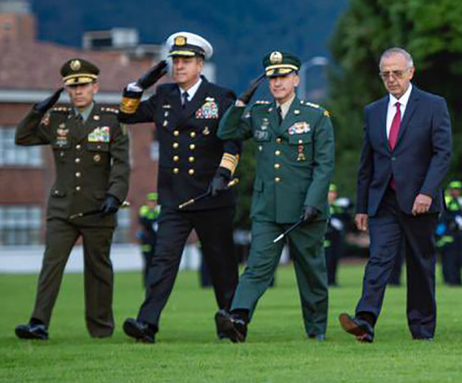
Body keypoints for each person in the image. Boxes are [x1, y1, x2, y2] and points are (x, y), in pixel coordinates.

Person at [119, 32, 241, 343]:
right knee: (163, 260)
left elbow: (233, 139)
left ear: (200, 64)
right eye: (175, 60)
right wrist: (138, 86)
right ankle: (147, 323)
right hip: (175, 197)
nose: (179, 66)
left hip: (210, 194)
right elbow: (126, 115)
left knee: (221, 264)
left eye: (186, 61)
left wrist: (223, 174)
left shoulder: (220, 97)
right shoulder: (164, 96)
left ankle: (231, 321)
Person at [216, 51, 335, 341]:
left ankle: (316, 329)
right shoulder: (259, 113)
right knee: (256, 267)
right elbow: (226, 131)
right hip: (267, 208)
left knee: (311, 272)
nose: (277, 82)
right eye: (272, 77)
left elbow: (324, 166)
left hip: (305, 209)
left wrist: (314, 202)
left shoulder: (315, 115)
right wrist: (240, 102)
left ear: (295, 79)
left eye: (282, 76)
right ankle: (238, 319)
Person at [339, 48, 452, 342]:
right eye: (385, 74)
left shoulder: (433, 105)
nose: (391, 79)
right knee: (378, 260)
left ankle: (422, 329)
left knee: (420, 264)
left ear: (411, 72)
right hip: (383, 201)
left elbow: (442, 154)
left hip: (419, 201)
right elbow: (367, 163)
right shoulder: (373, 111)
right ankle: (364, 320)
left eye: (397, 73)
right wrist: (362, 206)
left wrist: (427, 192)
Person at [13, 59, 129, 340]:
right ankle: (38, 323)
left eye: (84, 86)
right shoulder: (56, 119)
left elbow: (121, 164)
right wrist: (37, 110)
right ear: (66, 90)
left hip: (98, 207)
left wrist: (115, 195)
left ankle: (100, 329)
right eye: (72, 87)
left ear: (95, 87)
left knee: (98, 270)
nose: (78, 92)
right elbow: (23, 137)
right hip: (62, 208)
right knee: (51, 265)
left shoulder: (112, 120)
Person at [324, 183, 350, 287]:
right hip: (325, 238)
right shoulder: (322, 206)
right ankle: (324, 281)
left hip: (336, 238)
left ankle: (332, 281)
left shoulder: (338, 206)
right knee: (326, 259)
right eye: (329, 192)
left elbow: (347, 217)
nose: (332, 195)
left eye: (333, 192)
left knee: (334, 259)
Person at [137, 192, 160, 286]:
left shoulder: (158, 211)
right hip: (146, 241)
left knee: (157, 263)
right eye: (151, 201)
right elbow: (144, 221)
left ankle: (155, 282)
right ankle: (146, 283)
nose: (153, 203)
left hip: (157, 241)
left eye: (154, 201)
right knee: (147, 263)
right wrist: (153, 220)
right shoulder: (144, 210)